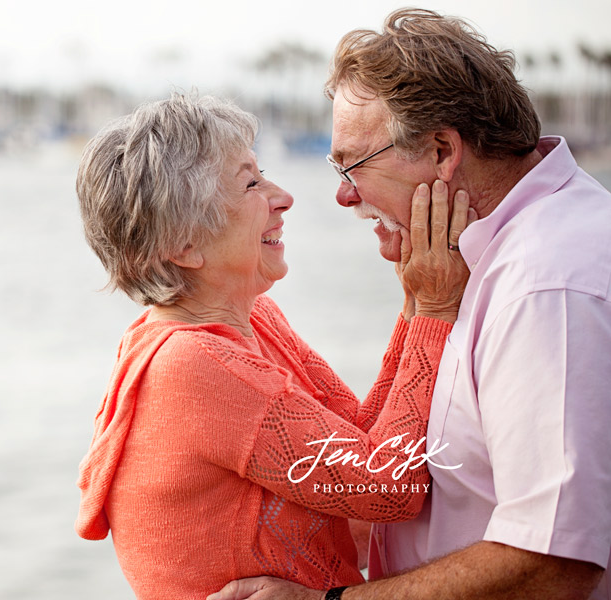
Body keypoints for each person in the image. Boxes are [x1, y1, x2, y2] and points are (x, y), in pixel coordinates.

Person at [210, 8, 611, 600]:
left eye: (352, 165)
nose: (344, 196)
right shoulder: (486, 254)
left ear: (443, 151)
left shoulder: (544, 285)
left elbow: (555, 560)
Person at [74, 92, 471, 599]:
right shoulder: (193, 364)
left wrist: (417, 299)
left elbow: (364, 439)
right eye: (251, 184)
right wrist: (435, 311)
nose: (282, 196)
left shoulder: (253, 319)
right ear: (184, 245)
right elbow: (389, 487)